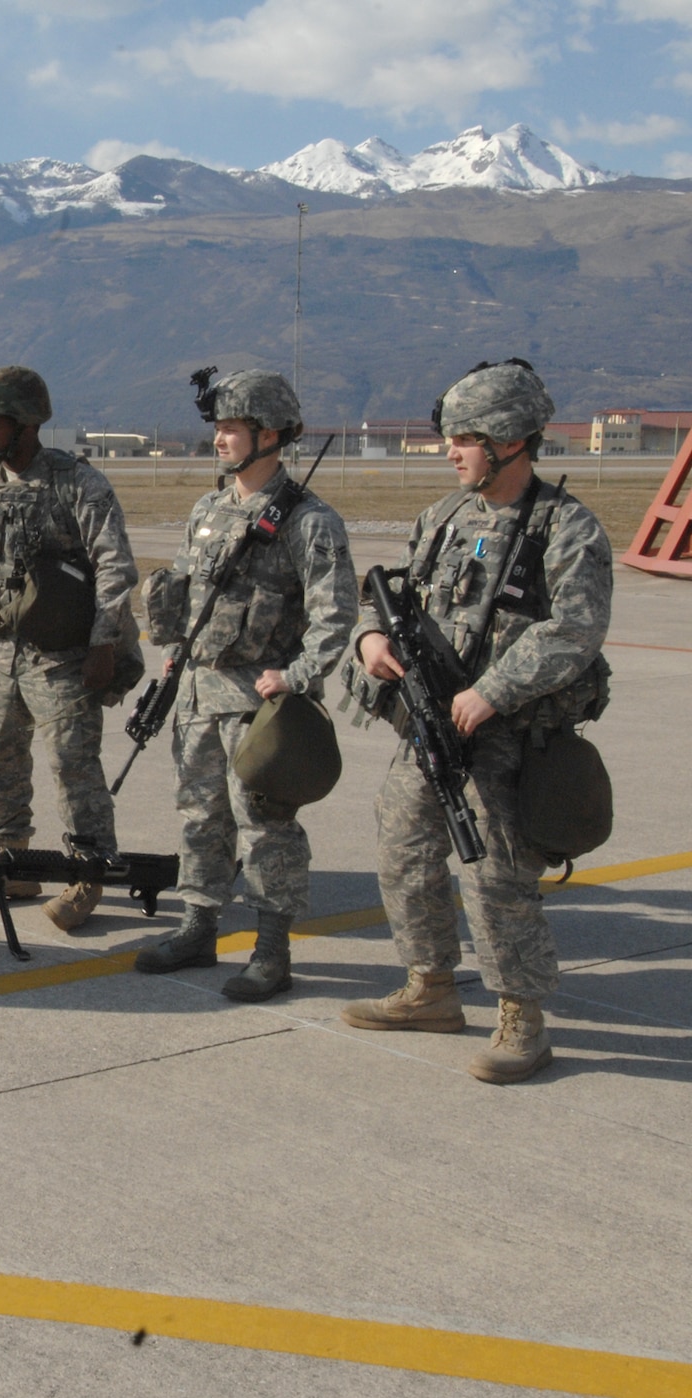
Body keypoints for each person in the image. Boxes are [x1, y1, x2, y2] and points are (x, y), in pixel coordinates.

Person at [341, 359, 613, 1083]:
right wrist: (369, 640)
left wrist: (495, 688)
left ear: (508, 441)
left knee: (496, 874)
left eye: (465, 438)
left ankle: (521, 1013)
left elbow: (575, 630)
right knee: (401, 849)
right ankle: (429, 986)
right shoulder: (444, 517)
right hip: (430, 725)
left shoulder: (566, 527)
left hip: (507, 734)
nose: (451, 452)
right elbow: (389, 596)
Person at [134, 370, 357, 1000]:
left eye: (232, 428)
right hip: (200, 697)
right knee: (200, 818)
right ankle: (198, 928)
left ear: (270, 434)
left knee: (264, 827)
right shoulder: (209, 509)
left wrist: (297, 677)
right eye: (219, 428)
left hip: (259, 709)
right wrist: (174, 658)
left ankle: (272, 950)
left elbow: (336, 615)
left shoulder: (308, 522)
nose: (220, 439)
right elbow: (184, 594)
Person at [0, 366, 142, 930]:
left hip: (63, 658)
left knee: (74, 768)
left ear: (23, 424)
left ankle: (88, 873)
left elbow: (115, 569)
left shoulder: (78, 483)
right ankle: (12, 861)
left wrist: (103, 645)